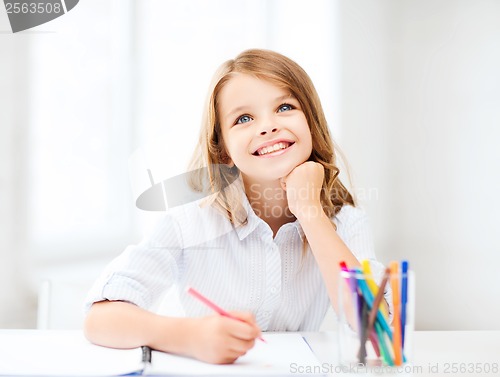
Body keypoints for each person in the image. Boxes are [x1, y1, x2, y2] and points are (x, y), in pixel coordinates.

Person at [84, 49, 390, 364]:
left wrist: (310, 211)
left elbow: (377, 330)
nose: (268, 127)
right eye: (244, 118)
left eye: (285, 107)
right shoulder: (190, 221)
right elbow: (99, 320)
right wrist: (190, 337)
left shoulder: (345, 221)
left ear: (311, 124)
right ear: (224, 151)